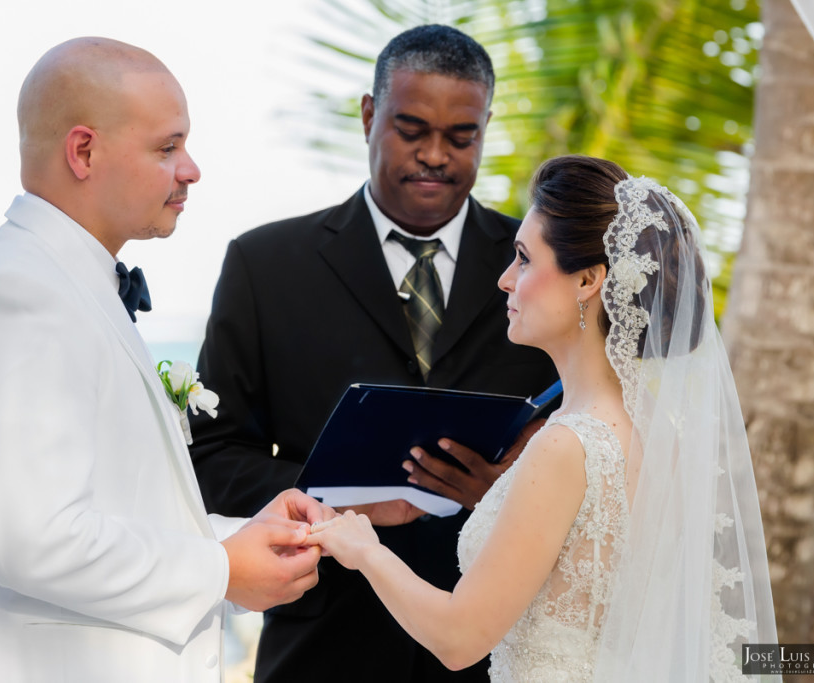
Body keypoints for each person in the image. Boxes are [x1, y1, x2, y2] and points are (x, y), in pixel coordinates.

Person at [0, 37, 330, 683]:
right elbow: (38, 541)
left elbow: (121, 512)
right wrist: (223, 568)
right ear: (83, 151)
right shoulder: (15, 295)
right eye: (167, 147)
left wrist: (242, 534)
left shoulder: (67, 285)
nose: (191, 169)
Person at [306, 155, 781, 682]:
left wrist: (364, 550)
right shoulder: (657, 431)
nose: (506, 280)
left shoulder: (567, 446)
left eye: (524, 259)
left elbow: (459, 637)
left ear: (587, 281)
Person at [189, 24, 557, 683]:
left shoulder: (540, 270)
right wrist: (335, 503)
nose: (436, 156)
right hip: (322, 648)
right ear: (368, 116)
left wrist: (506, 490)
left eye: (462, 136)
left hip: (496, 652)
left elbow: (583, 442)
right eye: (412, 130)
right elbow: (213, 455)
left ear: (486, 126)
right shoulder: (264, 266)